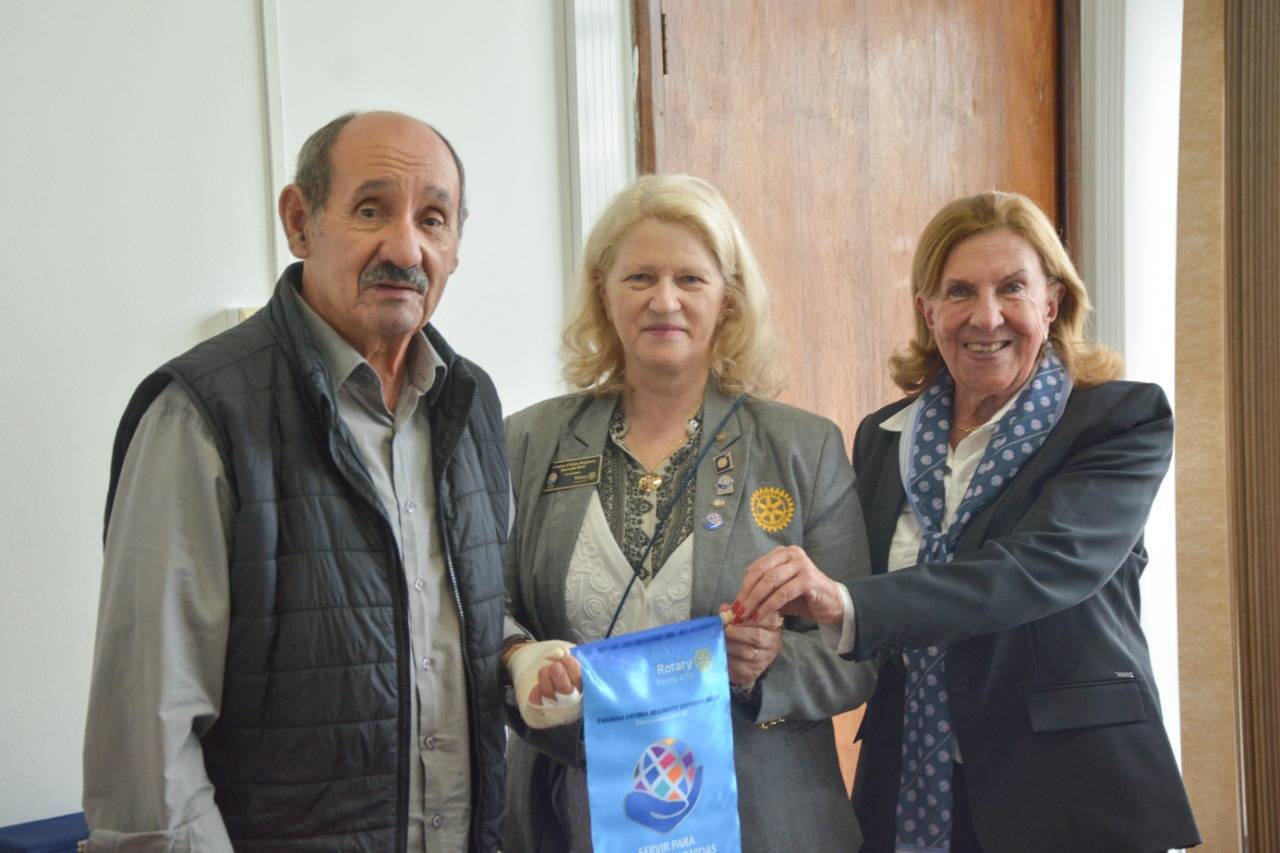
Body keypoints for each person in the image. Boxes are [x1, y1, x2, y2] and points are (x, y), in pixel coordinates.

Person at [83, 111, 521, 852]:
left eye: (433, 219)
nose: (405, 248)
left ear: (456, 242)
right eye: (371, 209)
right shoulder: (200, 414)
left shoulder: (471, 403)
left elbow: (450, 624)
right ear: (299, 222)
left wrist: (521, 657)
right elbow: (149, 752)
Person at [735, 190, 1200, 852]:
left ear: (1052, 302)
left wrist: (846, 602)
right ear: (928, 310)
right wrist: (760, 630)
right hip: (909, 784)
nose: (987, 316)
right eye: (959, 292)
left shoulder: (1118, 421)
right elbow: (843, 595)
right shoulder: (883, 437)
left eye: (1012, 287)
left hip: (1073, 792)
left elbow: (1034, 569)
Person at [499, 174, 878, 852]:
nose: (664, 300)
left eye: (690, 279)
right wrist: (524, 659)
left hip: (762, 820)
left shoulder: (803, 447)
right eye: (640, 277)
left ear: (727, 297)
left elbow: (859, 652)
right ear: (603, 291)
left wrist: (768, 664)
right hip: (572, 817)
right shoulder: (527, 442)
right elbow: (480, 610)